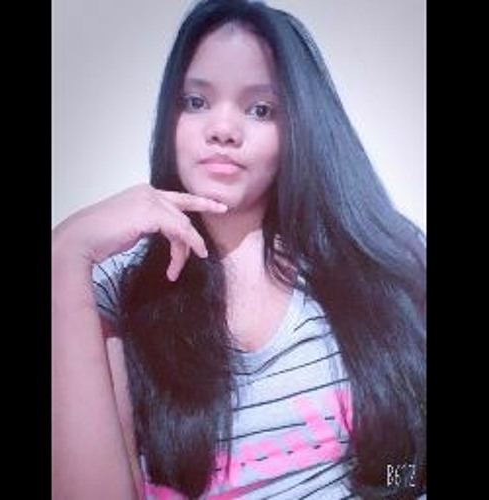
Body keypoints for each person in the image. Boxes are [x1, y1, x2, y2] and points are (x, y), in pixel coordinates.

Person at [52, 0, 426, 498]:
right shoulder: (115, 289)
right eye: (196, 102)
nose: (223, 129)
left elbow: (412, 469)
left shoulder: (379, 259)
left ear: (298, 127)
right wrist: (65, 251)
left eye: (260, 109)